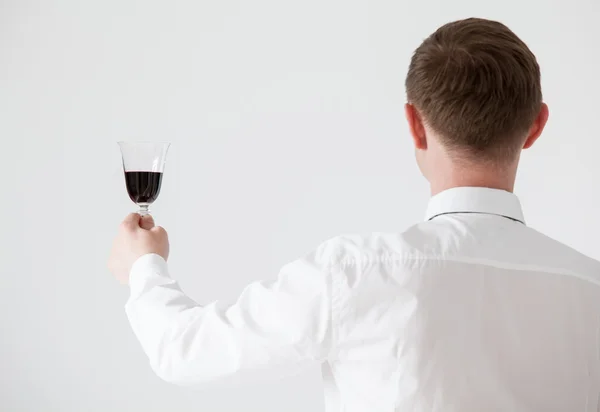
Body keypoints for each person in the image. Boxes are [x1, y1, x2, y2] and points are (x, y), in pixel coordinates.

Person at [109, 17, 600, 412]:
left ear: (414, 124)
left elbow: (185, 351)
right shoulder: (591, 289)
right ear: (536, 126)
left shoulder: (355, 273)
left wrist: (143, 268)